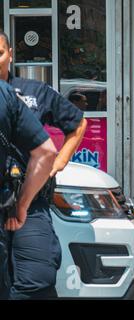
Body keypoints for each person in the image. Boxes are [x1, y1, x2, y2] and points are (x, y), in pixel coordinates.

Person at [0, 31, 88, 299]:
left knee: (36, 279)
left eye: (0, 52)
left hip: (30, 202)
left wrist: (58, 162)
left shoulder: (34, 92)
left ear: (11, 54)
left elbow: (78, 123)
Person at [0, 81, 57, 300]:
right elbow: (46, 152)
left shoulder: (36, 91)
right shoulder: (6, 95)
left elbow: (77, 123)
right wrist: (22, 205)